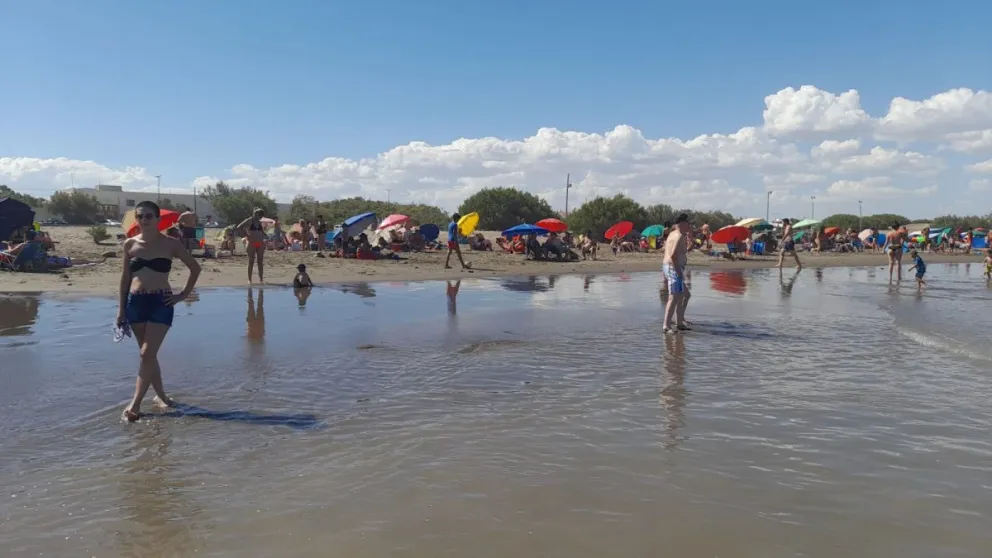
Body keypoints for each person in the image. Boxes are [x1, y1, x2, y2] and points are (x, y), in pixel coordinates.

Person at [117, 201, 201, 422]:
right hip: (135, 303)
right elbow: (125, 279)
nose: (144, 220)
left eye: (148, 216)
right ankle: (161, 396)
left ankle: (134, 405)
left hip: (161, 303)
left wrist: (182, 295)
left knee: (146, 354)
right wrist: (120, 310)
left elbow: (195, 268)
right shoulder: (129, 245)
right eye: (140, 216)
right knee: (148, 356)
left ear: (157, 219)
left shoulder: (171, 244)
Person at [662, 213, 691, 334]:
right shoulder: (678, 235)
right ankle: (666, 326)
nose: (689, 225)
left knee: (684, 294)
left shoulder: (673, 234)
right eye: (687, 223)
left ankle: (679, 322)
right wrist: (679, 273)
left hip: (671, 266)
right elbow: (673, 255)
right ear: (682, 224)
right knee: (673, 297)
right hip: (673, 267)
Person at [237, 208, 267, 283]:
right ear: (256, 214)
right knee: (251, 261)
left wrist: (265, 236)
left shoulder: (259, 222)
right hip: (251, 243)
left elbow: (261, 231)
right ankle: (249, 279)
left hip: (260, 242)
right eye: (260, 216)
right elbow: (239, 227)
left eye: (261, 216)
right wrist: (247, 234)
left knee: (260, 261)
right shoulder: (249, 220)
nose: (260, 218)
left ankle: (261, 279)